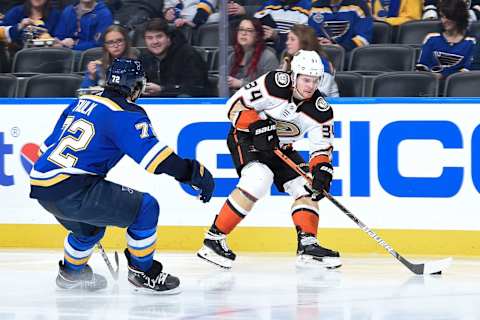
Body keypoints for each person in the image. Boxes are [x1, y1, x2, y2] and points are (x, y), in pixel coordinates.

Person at [29, 58, 215, 293]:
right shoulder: (125, 113)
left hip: (41, 186)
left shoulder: (82, 102)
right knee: (146, 208)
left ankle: (71, 274)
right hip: (74, 188)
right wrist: (193, 172)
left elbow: (44, 149)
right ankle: (142, 272)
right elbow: (156, 160)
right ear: (136, 86)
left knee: (88, 228)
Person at [196, 50, 341, 270]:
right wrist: (256, 124)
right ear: (293, 76)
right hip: (245, 136)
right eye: (305, 79)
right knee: (258, 178)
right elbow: (233, 106)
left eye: (315, 80)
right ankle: (214, 240)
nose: (310, 86)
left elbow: (321, 148)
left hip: (280, 146)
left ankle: (308, 245)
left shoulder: (321, 111)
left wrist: (322, 171)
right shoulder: (274, 83)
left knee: (307, 186)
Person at [139, 18, 210, 97]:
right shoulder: (143, 58)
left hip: (185, 105)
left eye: (159, 36)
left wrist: (162, 89)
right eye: (149, 38)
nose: (155, 42)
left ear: (168, 38)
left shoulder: (188, 54)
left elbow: (195, 88)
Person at [416, 0, 476, 78]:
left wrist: (442, 76)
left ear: (459, 17)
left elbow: (466, 71)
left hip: (457, 86)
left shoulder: (472, 42)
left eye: (449, 17)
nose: (444, 20)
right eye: (442, 16)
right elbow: (422, 66)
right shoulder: (432, 38)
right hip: (430, 84)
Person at [280, 24, 339, 97]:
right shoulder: (288, 61)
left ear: (304, 42)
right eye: (288, 39)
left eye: (292, 39)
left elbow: (317, 96)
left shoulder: (321, 65)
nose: (287, 42)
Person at [228, 17, 279, 94]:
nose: (243, 33)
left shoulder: (268, 58)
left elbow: (271, 88)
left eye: (249, 30)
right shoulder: (232, 57)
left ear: (257, 36)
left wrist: (240, 84)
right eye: (241, 29)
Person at [80, 24, 137, 89]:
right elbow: (83, 92)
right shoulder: (97, 66)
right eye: (110, 42)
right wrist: (91, 76)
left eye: (119, 41)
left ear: (126, 42)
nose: (116, 45)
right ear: (105, 46)